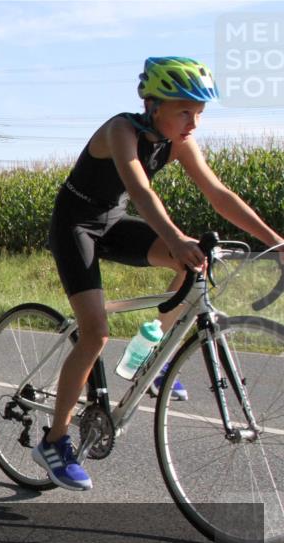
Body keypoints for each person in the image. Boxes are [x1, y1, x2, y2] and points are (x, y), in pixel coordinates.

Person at [35, 56, 284, 492]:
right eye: (185, 111)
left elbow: (218, 194)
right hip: (76, 227)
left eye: (199, 113)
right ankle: (55, 441)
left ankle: (149, 352)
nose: (193, 123)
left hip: (113, 225)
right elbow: (141, 191)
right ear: (154, 105)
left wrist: (275, 241)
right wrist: (174, 237)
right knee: (94, 334)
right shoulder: (121, 131)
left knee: (195, 263)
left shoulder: (179, 142)